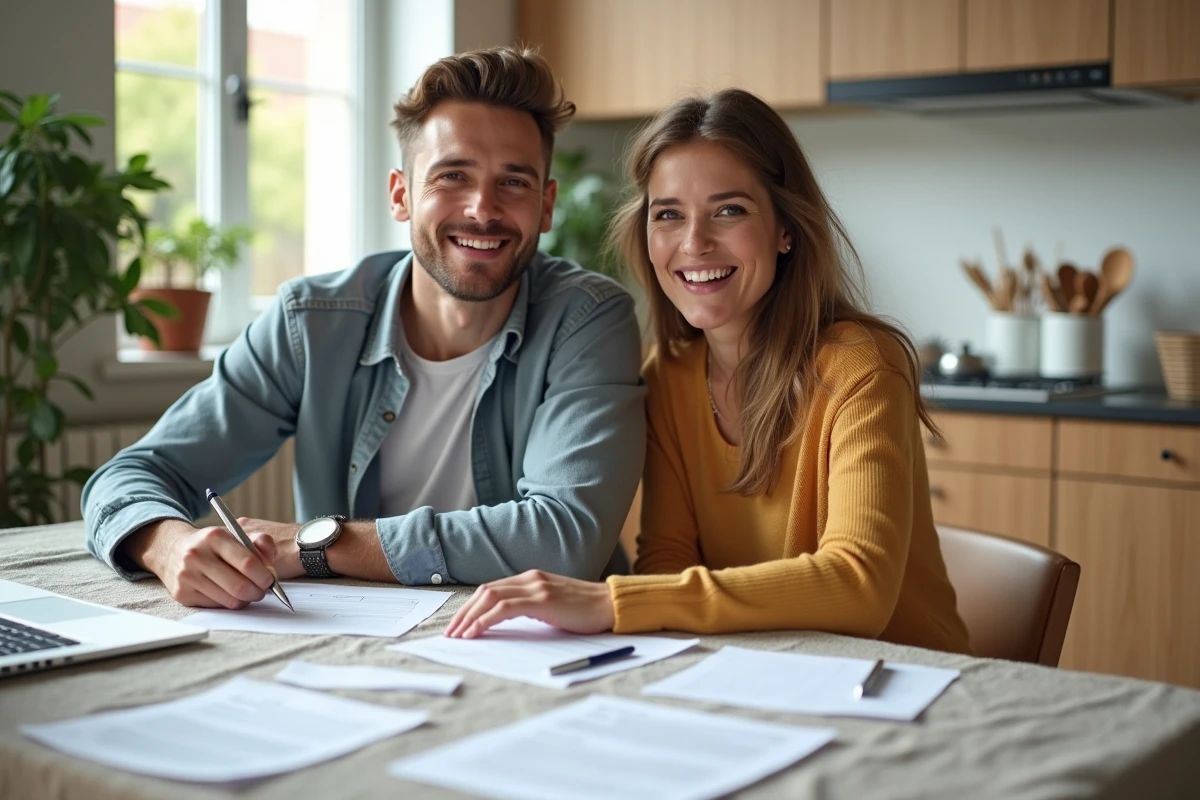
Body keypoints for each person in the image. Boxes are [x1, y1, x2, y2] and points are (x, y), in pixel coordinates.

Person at [82, 46, 646, 609]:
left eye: (514, 182)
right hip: (356, 639)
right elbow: (135, 472)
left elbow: (566, 538)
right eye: (453, 175)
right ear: (401, 194)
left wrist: (318, 544)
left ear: (546, 206)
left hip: (537, 641)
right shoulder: (312, 322)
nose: (482, 208)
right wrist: (165, 543)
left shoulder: (587, 319)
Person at [446, 88, 971, 655]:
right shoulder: (668, 375)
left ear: (785, 229)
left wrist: (614, 602)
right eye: (668, 215)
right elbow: (668, 559)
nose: (694, 243)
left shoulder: (860, 366)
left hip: (906, 682)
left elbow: (858, 586)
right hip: (758, 671)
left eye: (730, 211)